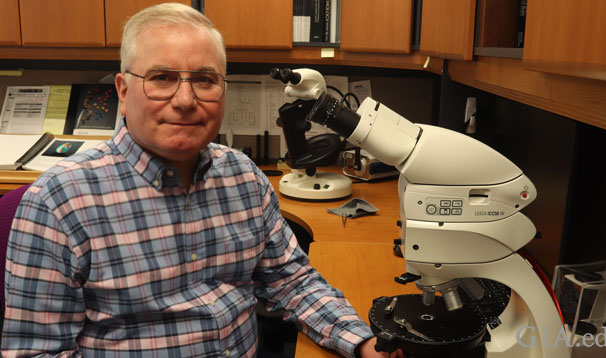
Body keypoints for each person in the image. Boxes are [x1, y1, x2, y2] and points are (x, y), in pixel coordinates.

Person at [2, 3, 401, 358]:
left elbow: (291, 282)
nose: (186, 100)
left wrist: (364, 342)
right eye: (162, 77)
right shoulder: (58, 202)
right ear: (123, 91)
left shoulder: (244, 178)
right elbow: (36, 350)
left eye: (205, 80)